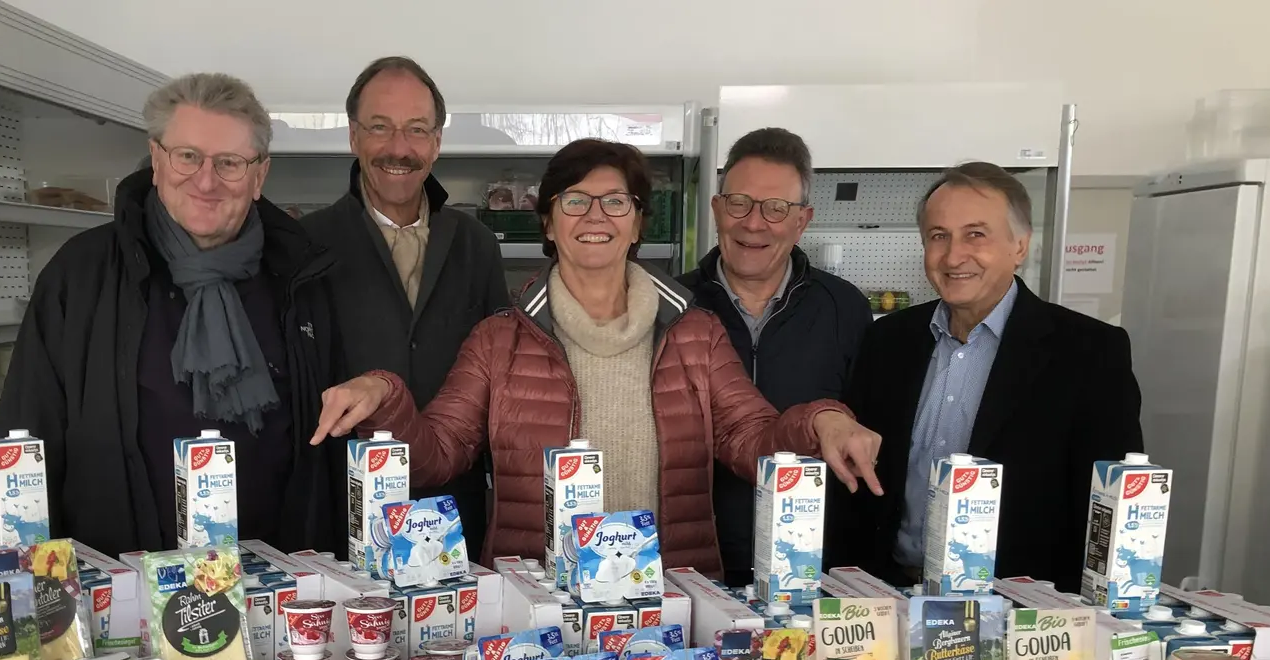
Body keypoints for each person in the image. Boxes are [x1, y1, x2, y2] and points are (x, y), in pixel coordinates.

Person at [309, 139, 883, 575]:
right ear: (549, 224)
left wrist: (820, 419)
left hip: (670, 598)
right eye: (575, 200)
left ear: (637, 224)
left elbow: (752, 438)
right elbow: (436, 455)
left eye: (616, 202)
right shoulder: (498, 340)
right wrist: (385, 394)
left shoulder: (694, 333)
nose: (595, 216)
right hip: (538, 605)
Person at [0, 73, 341, 555]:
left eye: (230, 163)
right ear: (157, 160)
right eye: (188, 156)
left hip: (275, 586)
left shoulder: (302, 277)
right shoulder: (81, 275)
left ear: (259, 176)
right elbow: (28, 436)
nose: (206, 180)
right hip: (119, 584)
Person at [831, 162, 1143, 591]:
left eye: (975, 234)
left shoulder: (1089, 352)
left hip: (1018, 608)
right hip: (886, 593)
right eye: (938, 236)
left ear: (1020, 245)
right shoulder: (888, 340)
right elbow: (858, 482)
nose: (954, 255)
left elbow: (1108, 508)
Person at [301, 57, 508, 560]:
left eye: (416, 130)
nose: (399, 148)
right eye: (380, 128)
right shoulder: (307, 245)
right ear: (354, 136)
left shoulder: (476, 244)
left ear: (436, 142)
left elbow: (501, 373)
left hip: (454, 510)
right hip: (342, 509)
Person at [678, 127, 873, 587]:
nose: (754, 223)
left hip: (812, 568)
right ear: (718, 209)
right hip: (692, 563)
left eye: (776, 209)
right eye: (740, 203)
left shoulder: (844, 308)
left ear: (801, 221)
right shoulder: (672, 306)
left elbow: (862, 436)